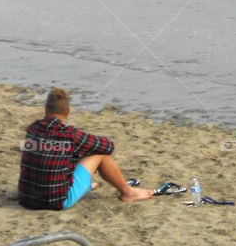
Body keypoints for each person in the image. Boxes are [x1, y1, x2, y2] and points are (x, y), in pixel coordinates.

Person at [18, 88, 153, 209]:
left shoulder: (32, 129)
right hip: (55, 201)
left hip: (26, 197)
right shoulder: (69, 135)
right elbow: (108, 147)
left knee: (63, 153)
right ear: (68, 111)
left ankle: (84, 185)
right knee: (100, 155)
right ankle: (128, 193)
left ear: (46, 109)